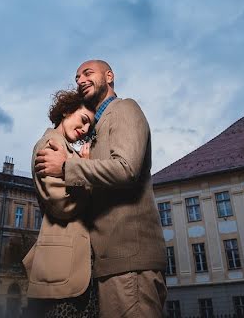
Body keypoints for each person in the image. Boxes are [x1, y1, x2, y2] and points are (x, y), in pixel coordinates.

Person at [35, 60, 166, 317]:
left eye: (87, 73)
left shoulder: (124, 108)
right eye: (76, 77)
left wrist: (67, 167)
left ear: (109, 76)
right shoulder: (98, 127)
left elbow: (127, 168)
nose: (80, 80)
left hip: (129, 260)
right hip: (110, 264)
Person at [24, 89, 99, 318]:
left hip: (76, 264)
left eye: (89, 127)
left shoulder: (67, 149)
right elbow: (61, 205)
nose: (85, 129)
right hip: (64, 266)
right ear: (66, 110)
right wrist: (87, 172)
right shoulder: (51, 144)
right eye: (84, 120)